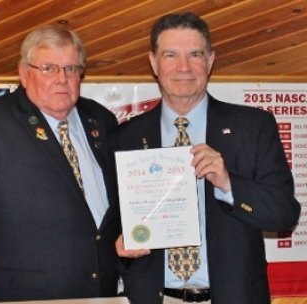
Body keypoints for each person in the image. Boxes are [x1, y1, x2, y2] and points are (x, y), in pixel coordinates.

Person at [0, 25, 121, 304]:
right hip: (28, 297)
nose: (61, 79)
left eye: (71, 69)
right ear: (24, 73)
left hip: (106, 295)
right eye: (49, 68)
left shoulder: (101, 119)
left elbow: (116, 202)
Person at [114, 12, 300, 304]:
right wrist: (120, 247)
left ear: (210, 60)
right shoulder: (125, 138)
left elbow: (285, 214)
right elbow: (111, 227)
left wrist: (228, 183)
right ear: (154, 62)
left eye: (195, 54)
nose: (184, 67)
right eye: (171, 55)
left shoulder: (253, 127)